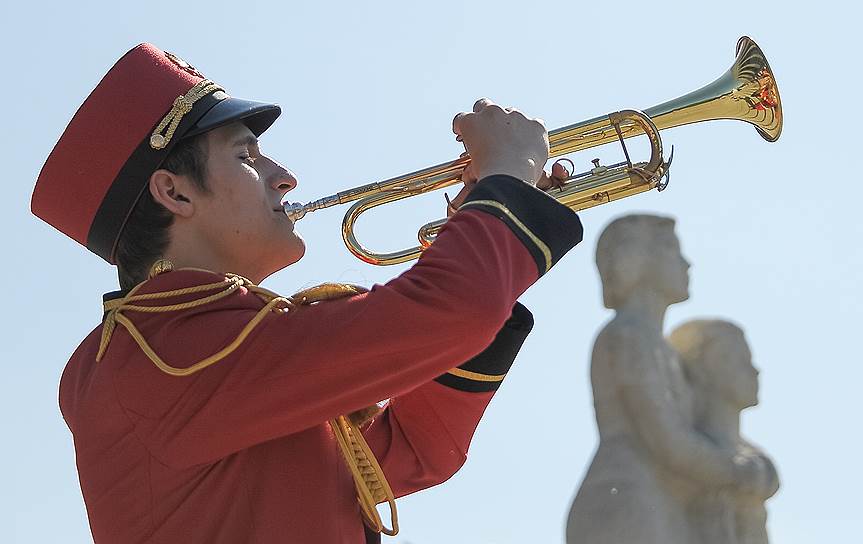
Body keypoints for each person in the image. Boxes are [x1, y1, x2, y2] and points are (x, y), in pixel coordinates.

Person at [31, 44, 583, 543]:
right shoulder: (163, 353)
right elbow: (455, 313)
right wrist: (507, 180)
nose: (284, 176)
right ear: (173, 191)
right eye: (247, 157)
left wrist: (492, 234)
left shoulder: (209, 347)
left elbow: (415, 449)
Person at [566, 215, 776, 544]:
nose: (686, 263)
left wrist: (749, 463)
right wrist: (737, 473)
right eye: (671, 251)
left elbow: (702, 429)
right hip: (626, 501)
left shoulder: (658, 347)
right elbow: (665, 438)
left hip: (660, 500)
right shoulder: (626, 336)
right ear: (641, 260)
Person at [668, 319, 779, 544]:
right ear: (705, 369)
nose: (755, 371)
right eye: (741, 361)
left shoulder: (753, 460)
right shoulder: (691, 458)